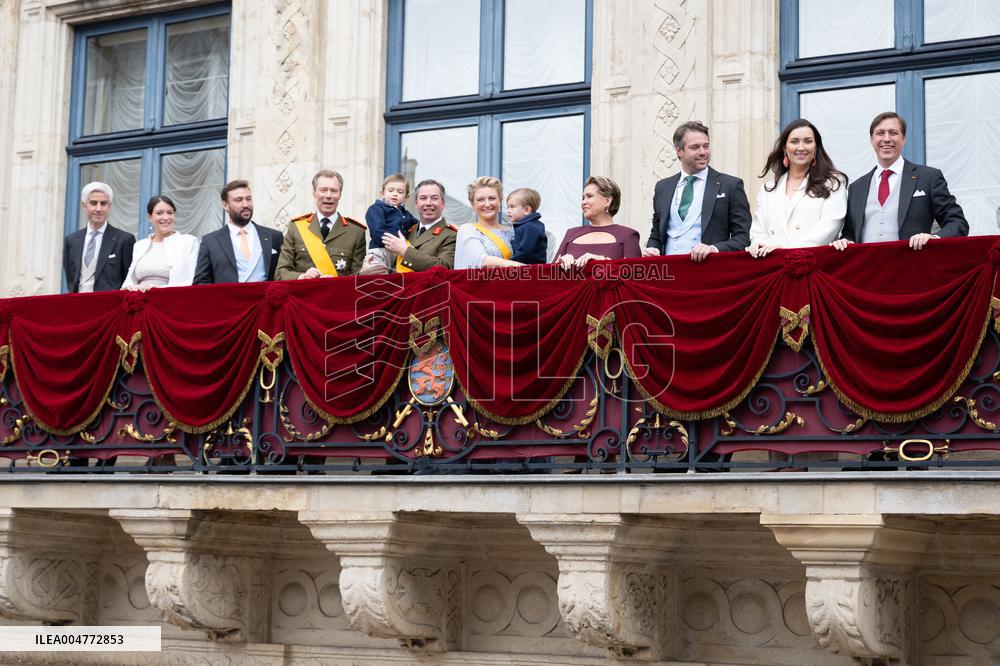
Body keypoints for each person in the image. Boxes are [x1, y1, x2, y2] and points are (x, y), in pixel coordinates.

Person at [839, 111, 968, 251]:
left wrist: (933, 239)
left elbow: (957, 222)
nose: (886, 139)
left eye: (893, 133)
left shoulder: (928, 177)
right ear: (871, 139)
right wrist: (845, 241)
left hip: (911, 268)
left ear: (904, 139)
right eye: (880, 133)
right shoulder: (856, 188)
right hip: (869, 270)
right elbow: (849, 234)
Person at [643, 121, 751, 262]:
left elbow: (743, 238)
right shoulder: (663, 187)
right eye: (695, 147)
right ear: (679, 151)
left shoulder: (730, 185)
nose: (703, 152)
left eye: (706, 146)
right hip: (669, 273)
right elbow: (656, 233)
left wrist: (714, 248)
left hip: (709, 273)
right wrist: (652, 249)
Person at [747, 118, 847, 258]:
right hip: (773, 266)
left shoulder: (833, 183)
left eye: (807, 141)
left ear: (816, 148)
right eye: (794, 141)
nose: (801, 147)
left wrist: (785, 249)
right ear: (784, 148)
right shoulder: (767, 189)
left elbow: (829, 227)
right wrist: (759, 243)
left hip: (814, 264)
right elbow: (758, 231)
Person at [276, 170, 366, 280]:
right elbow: (281, 272)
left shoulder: (355, 232)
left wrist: (336, 282)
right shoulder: (296, 228)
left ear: (340, 195)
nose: (328, 195)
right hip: (303, 295)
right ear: (314, 194)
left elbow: (358, 278)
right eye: (323, 190)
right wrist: (302, 277)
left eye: (334, 191)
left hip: (337, 295)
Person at [193, 180, 284, 284]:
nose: (246, 204)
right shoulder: (210, 241)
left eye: (248, 199)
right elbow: (200, 282)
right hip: (228, 299)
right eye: (238, 200)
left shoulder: (274, 236)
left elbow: (283, 274)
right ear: (225, 205)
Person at [63, 182, 136, 293]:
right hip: (78, 305)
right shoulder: (71, 240)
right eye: (93, 203)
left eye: (103, 203)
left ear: (109, 206)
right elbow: (71, 279)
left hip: (110, 306)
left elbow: (129, 280)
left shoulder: (124, 240)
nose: (98, 208)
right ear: (84, 205)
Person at [373, 179, 458, 273]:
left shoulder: (451, 235)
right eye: (423, 198)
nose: (428, 203)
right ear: (416, 203)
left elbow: (444, 268)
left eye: (434, 198)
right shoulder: (405, 229)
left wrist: (405, 251)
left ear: (442, 204)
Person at [555, 176, 641, 268]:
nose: (584, 202)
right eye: (583, 198)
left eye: (589, 196)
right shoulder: (571, 234)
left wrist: (603, 261)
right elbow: (547, 274)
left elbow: (636, 275)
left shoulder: (627, 235)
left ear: (607, 201)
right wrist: (560, 263)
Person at [121, 196, 200, 290]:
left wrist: (159, 289)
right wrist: (129, 287)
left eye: (170, 213)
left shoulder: (189, 242)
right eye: (159, 213)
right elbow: (130, 280)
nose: (166, 217)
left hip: (172, 300)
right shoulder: (139, 245)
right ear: (150, 217)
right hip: (139, 300)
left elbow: (192, 280)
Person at [454, 177, 522, 270]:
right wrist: (523, 267)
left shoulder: (513, 231)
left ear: (500, 201)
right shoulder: (467, 230)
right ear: (473, 204)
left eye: (492, 198)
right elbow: (481, 261)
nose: (487, 204)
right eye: (480, 199)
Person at [364, 173, 418, 270]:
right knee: (377, 278)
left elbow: (417, 225)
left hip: (398, 252)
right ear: (382, 193)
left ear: (406, 197)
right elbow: (377, 230)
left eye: (400, 192)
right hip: (380, 251)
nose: (395, 194)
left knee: (395, 281)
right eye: (390, 190)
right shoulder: (376, 209)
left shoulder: (406, 214)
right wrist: (392, 242)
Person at [507, 188, 548, 264]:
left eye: (512, 207)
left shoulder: (529, 227)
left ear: (526, 210)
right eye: (508, 207)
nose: (508, 210)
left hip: (531, 270)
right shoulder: (530, 225)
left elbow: (524, 252)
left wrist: (507, 264)